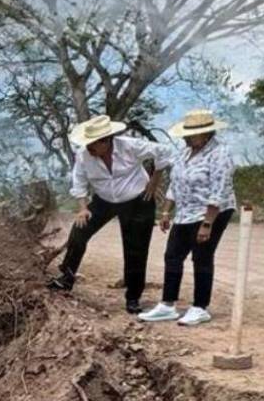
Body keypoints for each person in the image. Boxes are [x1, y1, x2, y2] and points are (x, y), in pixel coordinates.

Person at [49, 114, 174, 313]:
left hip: (137, 200)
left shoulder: (129, 146)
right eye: (87, 143)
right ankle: (66, 277)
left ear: (106, 141)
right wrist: (82, 208)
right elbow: (79, 181)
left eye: (93, 144)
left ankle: (133, 297)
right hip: (104, 200)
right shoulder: (84, 155)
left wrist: (154, 179)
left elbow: (164, 152)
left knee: (135, 249)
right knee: (79, 231)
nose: (89, 148)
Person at [139, 110, 236, 326]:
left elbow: (219, 191)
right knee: (172, 255)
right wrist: (166, 212)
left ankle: (200, 307)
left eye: (190, 135)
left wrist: (207, 224)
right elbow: (176, 184)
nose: (185, 138)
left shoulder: (221, 154)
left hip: (212, 211)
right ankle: (167, 305)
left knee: (201, 257)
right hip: (185, 212)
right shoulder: (184, 154)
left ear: (207, 134)